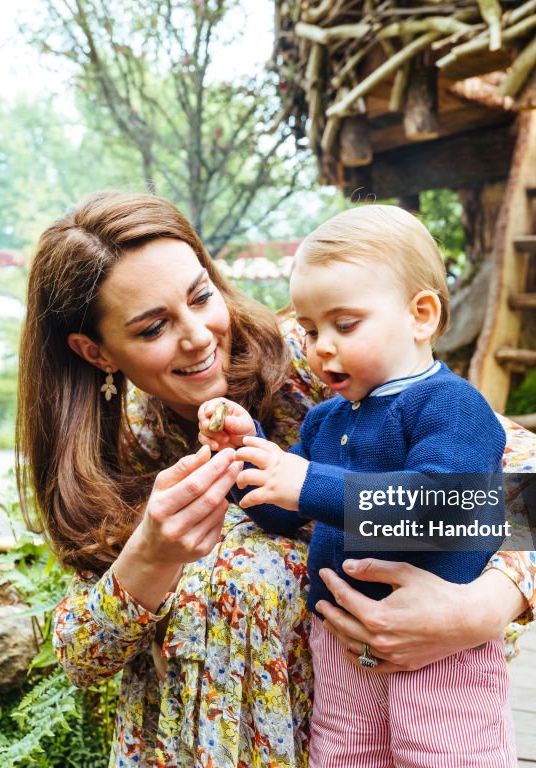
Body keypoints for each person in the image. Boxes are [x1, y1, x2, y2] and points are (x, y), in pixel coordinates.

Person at [17, 191, 536, 768]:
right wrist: (149, 557)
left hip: (374, 723)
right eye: (152, 329)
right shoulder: (110, 456)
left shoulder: (326, 359)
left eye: (201, 296)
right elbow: (83, 658)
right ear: (96, 352)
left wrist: (479, 610)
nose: (197, 335)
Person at [198, 205, 514, 767]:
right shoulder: (326, 420)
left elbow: (442, 505)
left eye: (345, 325)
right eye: (312, 329)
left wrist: (310, 483)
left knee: (445, 756)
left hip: (438, 653)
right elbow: (282, 511)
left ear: (420, 316)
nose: (322, 346)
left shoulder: (451, 405)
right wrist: (246, 458)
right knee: (345, 754)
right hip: (340, 645)